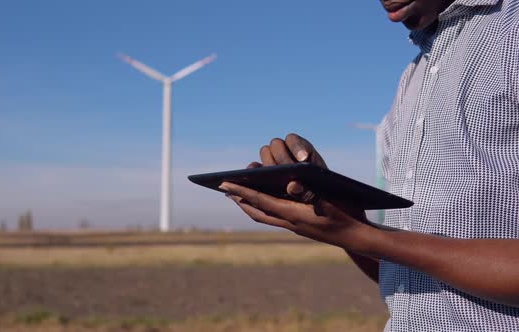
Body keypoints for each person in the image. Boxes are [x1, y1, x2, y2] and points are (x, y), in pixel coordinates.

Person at [218, 0, 519, 330]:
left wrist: (363, 236)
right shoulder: (411, 81)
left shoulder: (511, 31)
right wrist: (344, 215)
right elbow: (407, 280)